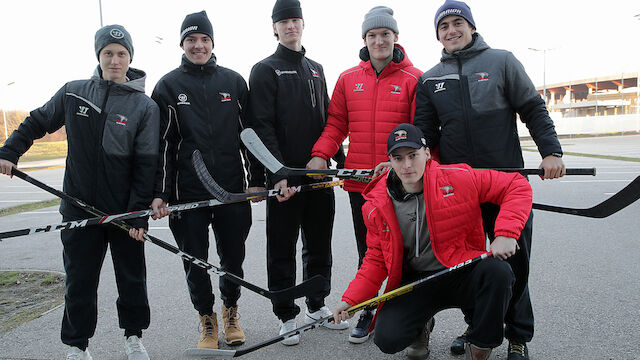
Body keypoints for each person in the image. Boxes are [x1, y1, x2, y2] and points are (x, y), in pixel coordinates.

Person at [412, 1, 566, 359]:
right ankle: (477, 328)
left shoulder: (502, 61)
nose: (450, 31)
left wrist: (551, 152)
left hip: (505, 182)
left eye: (457, 23)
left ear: (471, 26)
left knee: (515, 260)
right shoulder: (430, 78)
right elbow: (424, 134)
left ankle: (518, 335)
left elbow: (532, 108)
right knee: (471, 262)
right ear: (437, 34)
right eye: (443, 26)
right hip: (458, 189)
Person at [0, 25, 158, 360]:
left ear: (130, 58)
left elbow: (147, 164)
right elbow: (37, 122)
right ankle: (77, 346)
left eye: (121, 53)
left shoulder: (144, 106)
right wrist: (10, 152)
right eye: (108, 53)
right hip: (78, 209)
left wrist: (139, 212)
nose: (115, 60)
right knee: (79, 283)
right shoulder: (73, 93)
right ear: (99, 56)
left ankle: (133, 337)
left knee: (132, 280)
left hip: (123, 213)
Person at [332, 123, 532, 360]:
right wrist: (350, 300)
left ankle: (480, 344)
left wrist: (506, 233)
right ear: (390, 162)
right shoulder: (376, 204)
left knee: (499, 272)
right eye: (398, 158)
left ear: (427, 153)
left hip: (460, 270)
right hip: (417, 281)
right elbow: (375, 260)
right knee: (387, 338)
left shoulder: (458, 177)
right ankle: (421, 326)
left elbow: (516, 185)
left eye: (413, 156)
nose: (407, 165)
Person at [306, 5, 423, 345]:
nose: (379, 40)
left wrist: (403, 164)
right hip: (361, 185)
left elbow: (421, 132)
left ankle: (409, 316)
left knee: (408, 254)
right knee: (370, 253)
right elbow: (336, 125)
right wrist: (319, 154)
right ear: (364, 39)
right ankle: (370, 309)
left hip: (402, 183)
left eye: (385, 34)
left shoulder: (414, 78)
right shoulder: (347, 79)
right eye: (372, 35)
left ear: (395, 37)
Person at [149, 11, 261, 350]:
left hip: (232, 191)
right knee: (194, 261)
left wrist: (255, 180)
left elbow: (250, 137)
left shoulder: (233, 82)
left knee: (233, 258)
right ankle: (207, 321)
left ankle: (230, 311)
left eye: (204, 40)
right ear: (182, 44)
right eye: (192, 40)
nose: (199, 45)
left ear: (213, 43)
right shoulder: (168, 86)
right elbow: (163, 146)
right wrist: (160, 194)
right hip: (188, 195)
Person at [246, 0, 347, 346]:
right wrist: (276, 175)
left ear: (303, 25)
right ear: (274, 27)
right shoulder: (265, 69)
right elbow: (260, 126)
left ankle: (316, 306)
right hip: (285, 179)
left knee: (319, 245)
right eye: (284, 21)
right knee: (282, 248)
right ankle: (286, 316)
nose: (291, 26)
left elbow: (330, 122)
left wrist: (340, 163)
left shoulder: (316, 68)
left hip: (319, 178)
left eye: (295, 20)